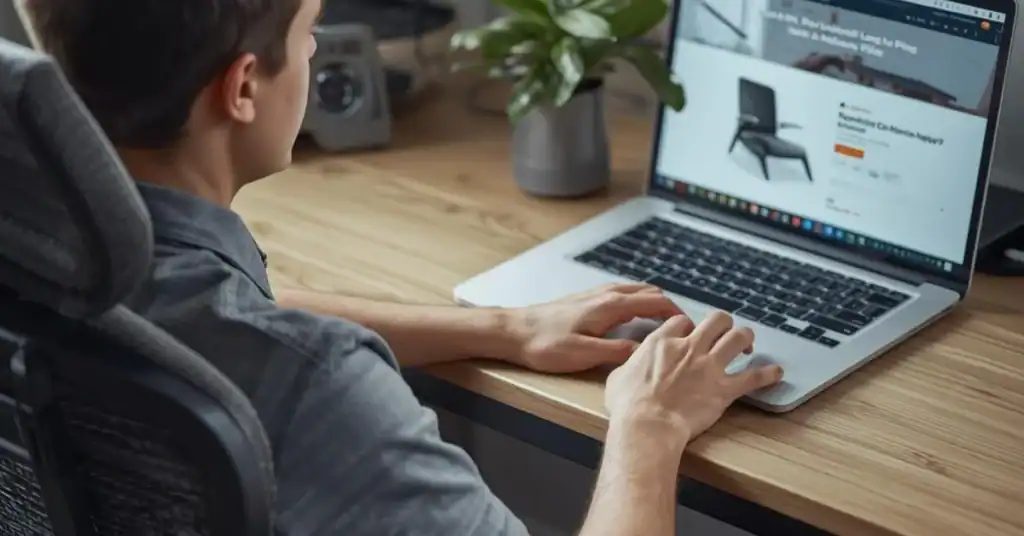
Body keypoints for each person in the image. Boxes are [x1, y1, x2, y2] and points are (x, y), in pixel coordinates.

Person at [26, 0, 784, 534]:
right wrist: (649, 428)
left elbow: (244, 314)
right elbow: (284, 352)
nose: (318, 50)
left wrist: (504, 327)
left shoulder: (42, 246)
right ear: (244, 87)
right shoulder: (320, 385)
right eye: (312, 30)